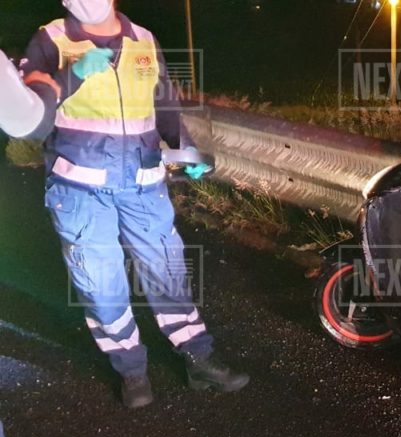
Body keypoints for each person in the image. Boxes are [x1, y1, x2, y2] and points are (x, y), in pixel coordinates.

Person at [19, 0, 249, 408]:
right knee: (100, 283)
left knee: (167, 271)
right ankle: (131, 370)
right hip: (80, 190)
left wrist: (184, 148)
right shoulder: (49, 41)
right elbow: (31, 121)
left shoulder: (143, 39)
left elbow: (164, 103)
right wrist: (73, 75)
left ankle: (199, 358)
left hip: (144, 183)